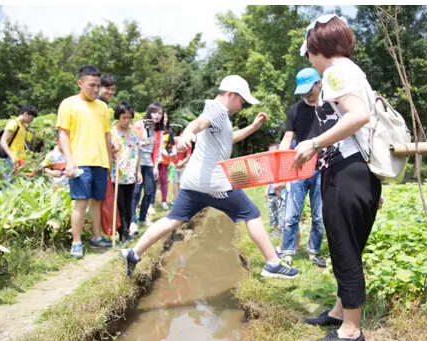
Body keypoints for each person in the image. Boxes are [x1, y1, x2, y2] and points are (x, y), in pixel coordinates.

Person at [119, 75, 299, 279]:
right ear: (230, 94)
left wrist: (252, 128)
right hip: (213, 182)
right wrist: (187, 132)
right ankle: (273, 263)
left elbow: (228, 139)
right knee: (252, 214)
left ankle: (133, 253)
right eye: (241, 100)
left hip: (193, 180)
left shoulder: (219, 115)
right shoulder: (217, 110)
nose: (241, 106)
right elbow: (198, 124)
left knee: (173, 219)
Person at [294, 14, 382, 341]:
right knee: (348, 244)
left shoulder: (334, 71)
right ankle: (339, 310)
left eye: (309, 54)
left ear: (318, 48)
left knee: (344, 245)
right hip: (360, 170)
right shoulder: (353, 71)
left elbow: (359, 116)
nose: (311, 61)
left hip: (347, 170)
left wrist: (314, 143)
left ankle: (350, 330)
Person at [56, 65, 115, 258]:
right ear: (80, 83)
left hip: (100, 162)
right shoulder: (68, 104)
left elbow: (107, 136)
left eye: (98, 86)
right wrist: (69, 161)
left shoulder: (103, 107)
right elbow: (63, 134)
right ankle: (76, 242)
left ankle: (97, 238)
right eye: (91, 85)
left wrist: (109, 162)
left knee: (97, 202)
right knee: (81, 203)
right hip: (80, 161)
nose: (95, 90)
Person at [276, 67, 327, 268]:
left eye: (310, 88)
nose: (307, 93)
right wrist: (279, 168)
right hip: (298, 167)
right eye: (303, 89)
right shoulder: (295, 110)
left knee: (319, 216)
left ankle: (314, 252)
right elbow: (288, 138)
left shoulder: (329, 108)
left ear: (319, 83)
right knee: (291, 215)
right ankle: (287, 252)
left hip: (322, 167)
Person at [129, 103, 164, 235]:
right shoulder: (139, 125)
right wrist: (142, 143)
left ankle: (143, 217)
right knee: (136, 192)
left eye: (159, 113)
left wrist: (155, 167)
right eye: (154, 112)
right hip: (137, 162)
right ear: (149, 112)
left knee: (149, 191)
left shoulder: (159, 131)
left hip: (149, 163)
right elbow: (131, 142)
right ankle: (132, 220)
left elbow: (158, 150)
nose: (157, 115)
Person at [111, 101, 142, 243]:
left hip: (130, 174)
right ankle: (121, 232)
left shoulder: (135, 133)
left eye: (129, 117)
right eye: (124, 117)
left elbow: (137, 153)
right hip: (116, 174)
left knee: (130, 206)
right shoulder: (112, 133)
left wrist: (139, 171)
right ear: (118, 116)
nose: (126, 120)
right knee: (120, 206)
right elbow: (107, 152)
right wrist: (113, 150)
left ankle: (127, 230)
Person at [264, 143, 285, 239]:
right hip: (270, 194)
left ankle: (280, 230)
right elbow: (269, 180)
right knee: (272, 214)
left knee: (280, 213)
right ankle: (276, 229)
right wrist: (266, 190)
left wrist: (278, 190)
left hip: (279, 195)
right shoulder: (270, 166)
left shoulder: (282, 165)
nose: (271, 155)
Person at [157, 112, 176, 210]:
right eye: (162, 117)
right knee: (152, 180)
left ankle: (164, 201)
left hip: (164, 159)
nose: (164, 119)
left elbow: (172, 145)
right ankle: (150, 203)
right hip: (155, 158)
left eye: (166, 117)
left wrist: (172, 153)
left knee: (164, 180)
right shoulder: (155, 129)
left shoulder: (169, 131)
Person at [171, 127, 192, 202]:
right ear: (180, 134)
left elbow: (188, 156)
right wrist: (175, 163)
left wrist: (182, 163)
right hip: (174, 164)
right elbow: (171, 151)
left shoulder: (188, 143)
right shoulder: (175, 140)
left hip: (183, 165)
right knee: (175, 182)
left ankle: (180, 199)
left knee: (182, 182)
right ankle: (176, 199)